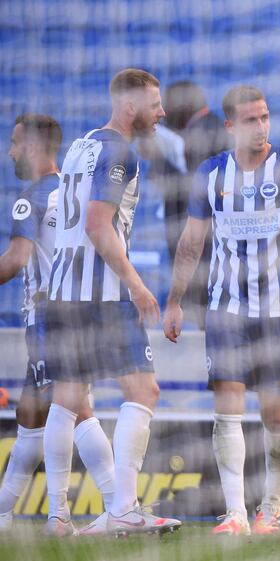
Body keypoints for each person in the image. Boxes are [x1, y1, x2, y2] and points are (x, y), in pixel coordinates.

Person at [162, 85, 280, 536]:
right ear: (230, 126)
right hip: (226, 308)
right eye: (251, 120)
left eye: (264, 117)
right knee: (227, 409)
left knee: (275, 415)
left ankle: (271, 505)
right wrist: (173, 301)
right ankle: (235, 514)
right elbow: (191, 242)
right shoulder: (210, 173)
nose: (261, 127)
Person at [42, 69, 181, 537]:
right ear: (130, 106)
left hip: (62, 291)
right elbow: (99, 225)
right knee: (143, 393)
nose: (161, 112)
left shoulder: (81, 146)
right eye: (155, 103)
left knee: (66, 402)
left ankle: (58, 517)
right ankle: (123, 507)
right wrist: (138, 285)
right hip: (101, 294)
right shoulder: (121, 151)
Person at [0, 114, 115, 534]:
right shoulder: (73, 192)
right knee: (30, 417)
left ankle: (113, 504)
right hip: (77, 313)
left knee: (77, 411)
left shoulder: (29, 199)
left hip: (47, 320)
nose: (10, 151)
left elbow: (14, 260)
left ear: (31, 147)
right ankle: (7, 514)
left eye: (14, 143)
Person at [143, 81, 231, 327]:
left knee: (210, 318)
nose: (163, 114)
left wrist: (158, 158)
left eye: (167, 106)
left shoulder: (203, 133)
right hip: (206, 243)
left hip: (204, 244)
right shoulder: (206, 128)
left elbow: (194, 186)